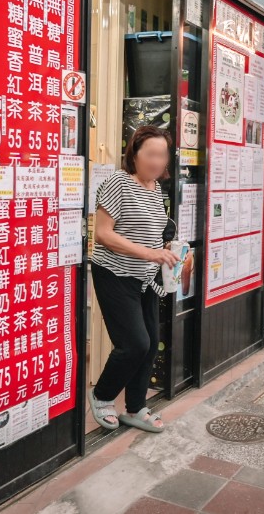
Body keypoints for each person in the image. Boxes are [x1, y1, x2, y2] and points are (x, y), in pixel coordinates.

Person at [88, 126, 180, 432]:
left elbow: (149, 234)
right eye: (150, 154)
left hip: (144, 278)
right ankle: (101, 396)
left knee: (151, 343)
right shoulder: (119, 182)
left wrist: (166, 251)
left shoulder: (156, 190)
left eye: (162, 155)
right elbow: (102, 234)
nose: (156, 161)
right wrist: (151, 254)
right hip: (114, 273)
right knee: (133, 344)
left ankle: (135, 408)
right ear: (134, 154)